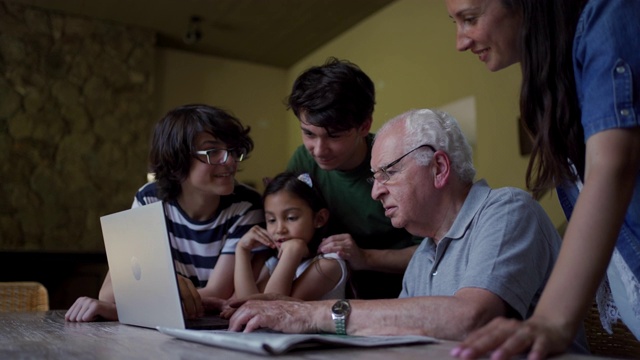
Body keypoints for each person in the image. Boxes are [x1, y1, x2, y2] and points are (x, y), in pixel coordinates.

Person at [225, 109, 587, 353]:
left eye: (388, 173)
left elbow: (472, 318)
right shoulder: (425, 253)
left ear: (439, 167)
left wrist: (312, 314)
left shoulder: (506, 209)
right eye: (374, 177)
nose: (375, 190)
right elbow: (398, 336)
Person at [446, 1, 640, 358]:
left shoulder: (609, 12)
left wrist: (550, 319)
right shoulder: (554, 80)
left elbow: (613, 164)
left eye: (470, 19)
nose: (460, 41)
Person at [65, 104, 266, 322]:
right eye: (212, 151)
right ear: (176, 158)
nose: (229, 161)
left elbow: (218, 292)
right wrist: (165, 290)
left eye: (233, 150)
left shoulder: (247, 205)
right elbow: (111, 292)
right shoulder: (150, 199)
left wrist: (139, 301)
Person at [286, 57, 421, 299]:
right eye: (308, 133)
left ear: (364, 126)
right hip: (332, 292)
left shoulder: (398, 162)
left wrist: (365, 257)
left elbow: (433, 251)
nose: (318, 150)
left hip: (399, 296)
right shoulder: (302, 161)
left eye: (334, 136)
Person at [232, 171, 348, 302]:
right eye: (271, 220)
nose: (279, 229)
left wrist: (293, 251)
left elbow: (271, 309)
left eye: (291, 218)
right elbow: (247, 304)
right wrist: (242, 250)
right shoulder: (274, 262)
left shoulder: (328, 265)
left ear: (319, 219)